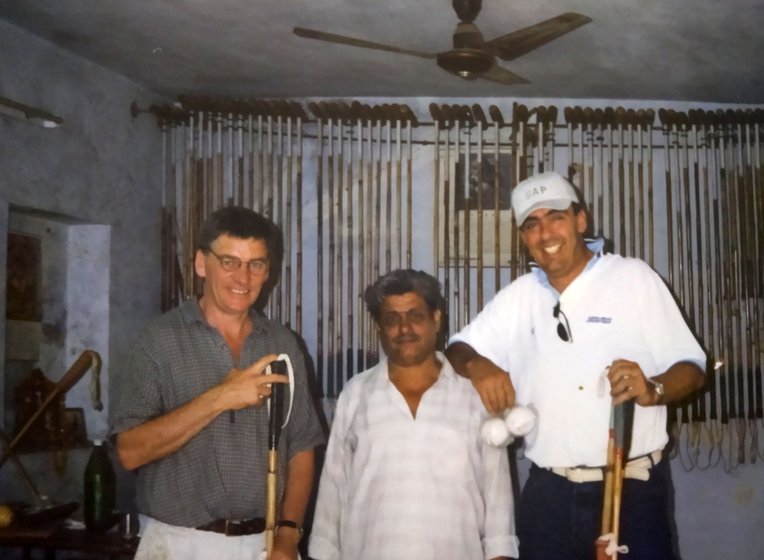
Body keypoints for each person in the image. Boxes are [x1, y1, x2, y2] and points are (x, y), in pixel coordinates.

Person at [446, 171, 706, 560]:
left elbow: (693, 366)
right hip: (548, 493)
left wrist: (654, 389)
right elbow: (457, 348)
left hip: (630, 489)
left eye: (556, 217)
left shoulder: (632, 277)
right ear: (523, 237)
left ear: (581, 220)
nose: (545, 233)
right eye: (532, 224)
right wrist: (479, 365)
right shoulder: (518, 297)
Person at [112, 207, 325, 560]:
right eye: (229, 261)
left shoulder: (284, 344)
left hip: (266, 544)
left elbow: (302, 448)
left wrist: (288, 536)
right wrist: (221, 397)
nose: (243, 277)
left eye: (256, 264)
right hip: (179, 544)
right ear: (201, 263)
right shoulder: (158, 340)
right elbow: (130, 452)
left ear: (267, 272)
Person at [308, 269, 518, 560]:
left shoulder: (474, 396)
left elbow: (498, 500)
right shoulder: (356, 394)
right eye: (392, 319)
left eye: (415, 316)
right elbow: (332, 492)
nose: (404, 329)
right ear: (380, 328)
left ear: (436, 319)